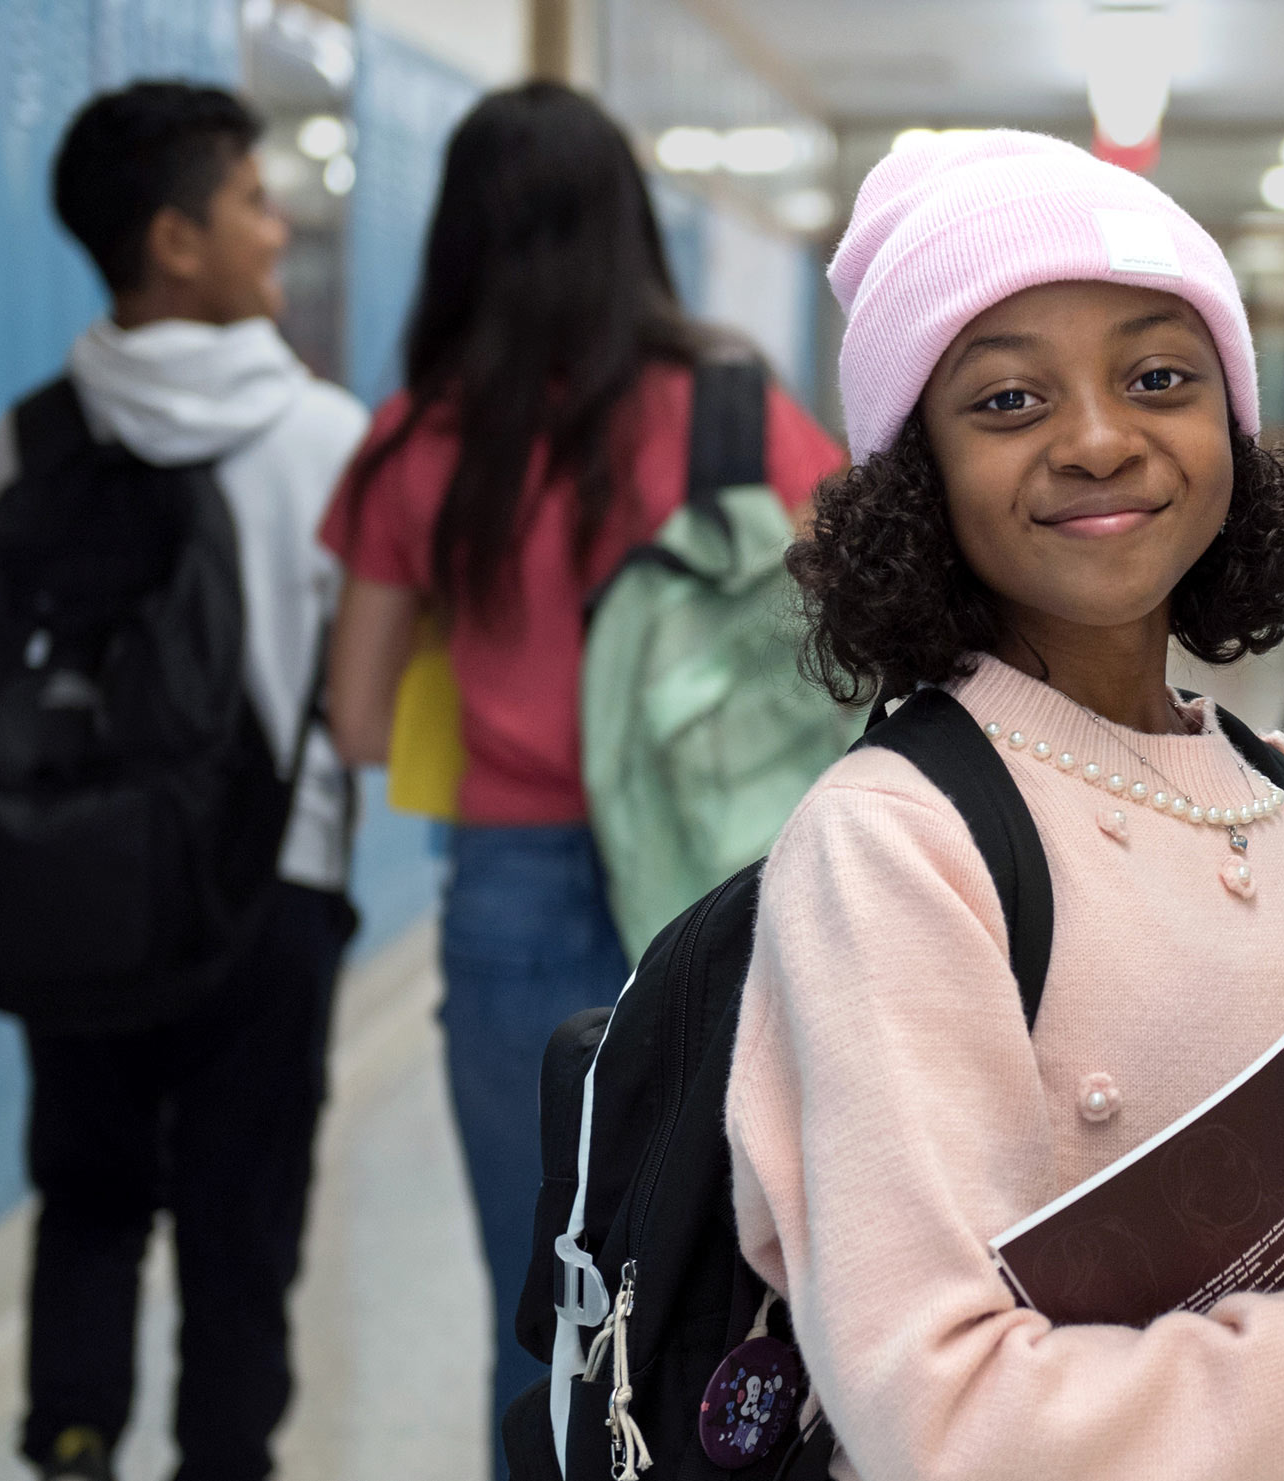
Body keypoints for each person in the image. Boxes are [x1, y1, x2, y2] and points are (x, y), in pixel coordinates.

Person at [725, 128, 1284, 1480]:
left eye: (1160, 377)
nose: (1101, 439)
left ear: (1229, 427)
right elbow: (948, 1420)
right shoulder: (896, 843)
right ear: (916, 478)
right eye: (1008, 402)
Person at [314, 83, 847, 1472]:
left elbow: (359, 718)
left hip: (516, 887)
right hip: (728, 882)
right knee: (755, 1290)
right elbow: (851, 652)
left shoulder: (419, 444)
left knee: (551, 1312)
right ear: (630, 228)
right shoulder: (738, 415)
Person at [0, 82, 367, 1481]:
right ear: (177, 238)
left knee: (86, 1196)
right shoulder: (326, 437)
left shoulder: (26, 440)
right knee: (238, 1221)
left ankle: (71, 1445)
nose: (279, 226)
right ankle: (222, 1461)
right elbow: (359, 709)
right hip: (273, 887)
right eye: (254, 199)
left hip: (77, 884)